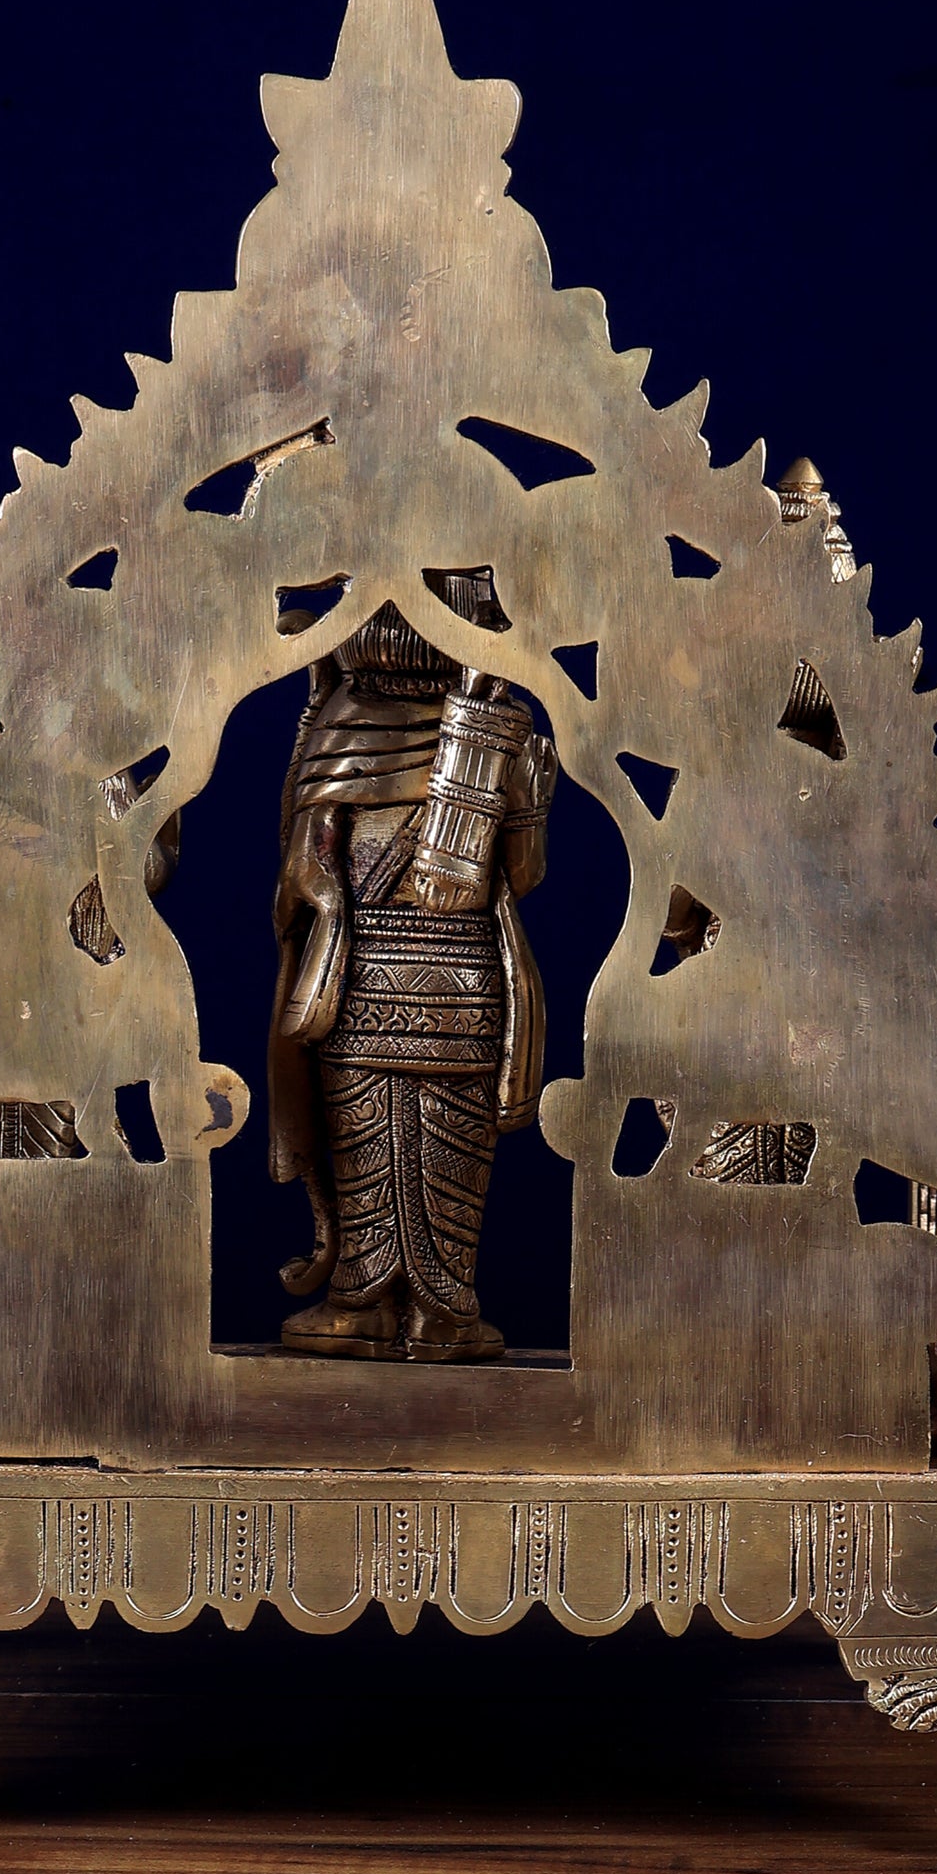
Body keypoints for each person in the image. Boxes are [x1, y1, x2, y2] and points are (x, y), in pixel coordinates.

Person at [266, 582, 556, 1360]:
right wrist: (323, 891)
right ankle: (373, 1300)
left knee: (438, 1146)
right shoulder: (345, 726)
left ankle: (433, 1305)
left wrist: (521, 798)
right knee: (373, 1139)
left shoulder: (491, 727)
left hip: (441, 977)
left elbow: (519, 874)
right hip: (376, 977)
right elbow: (307, 867)